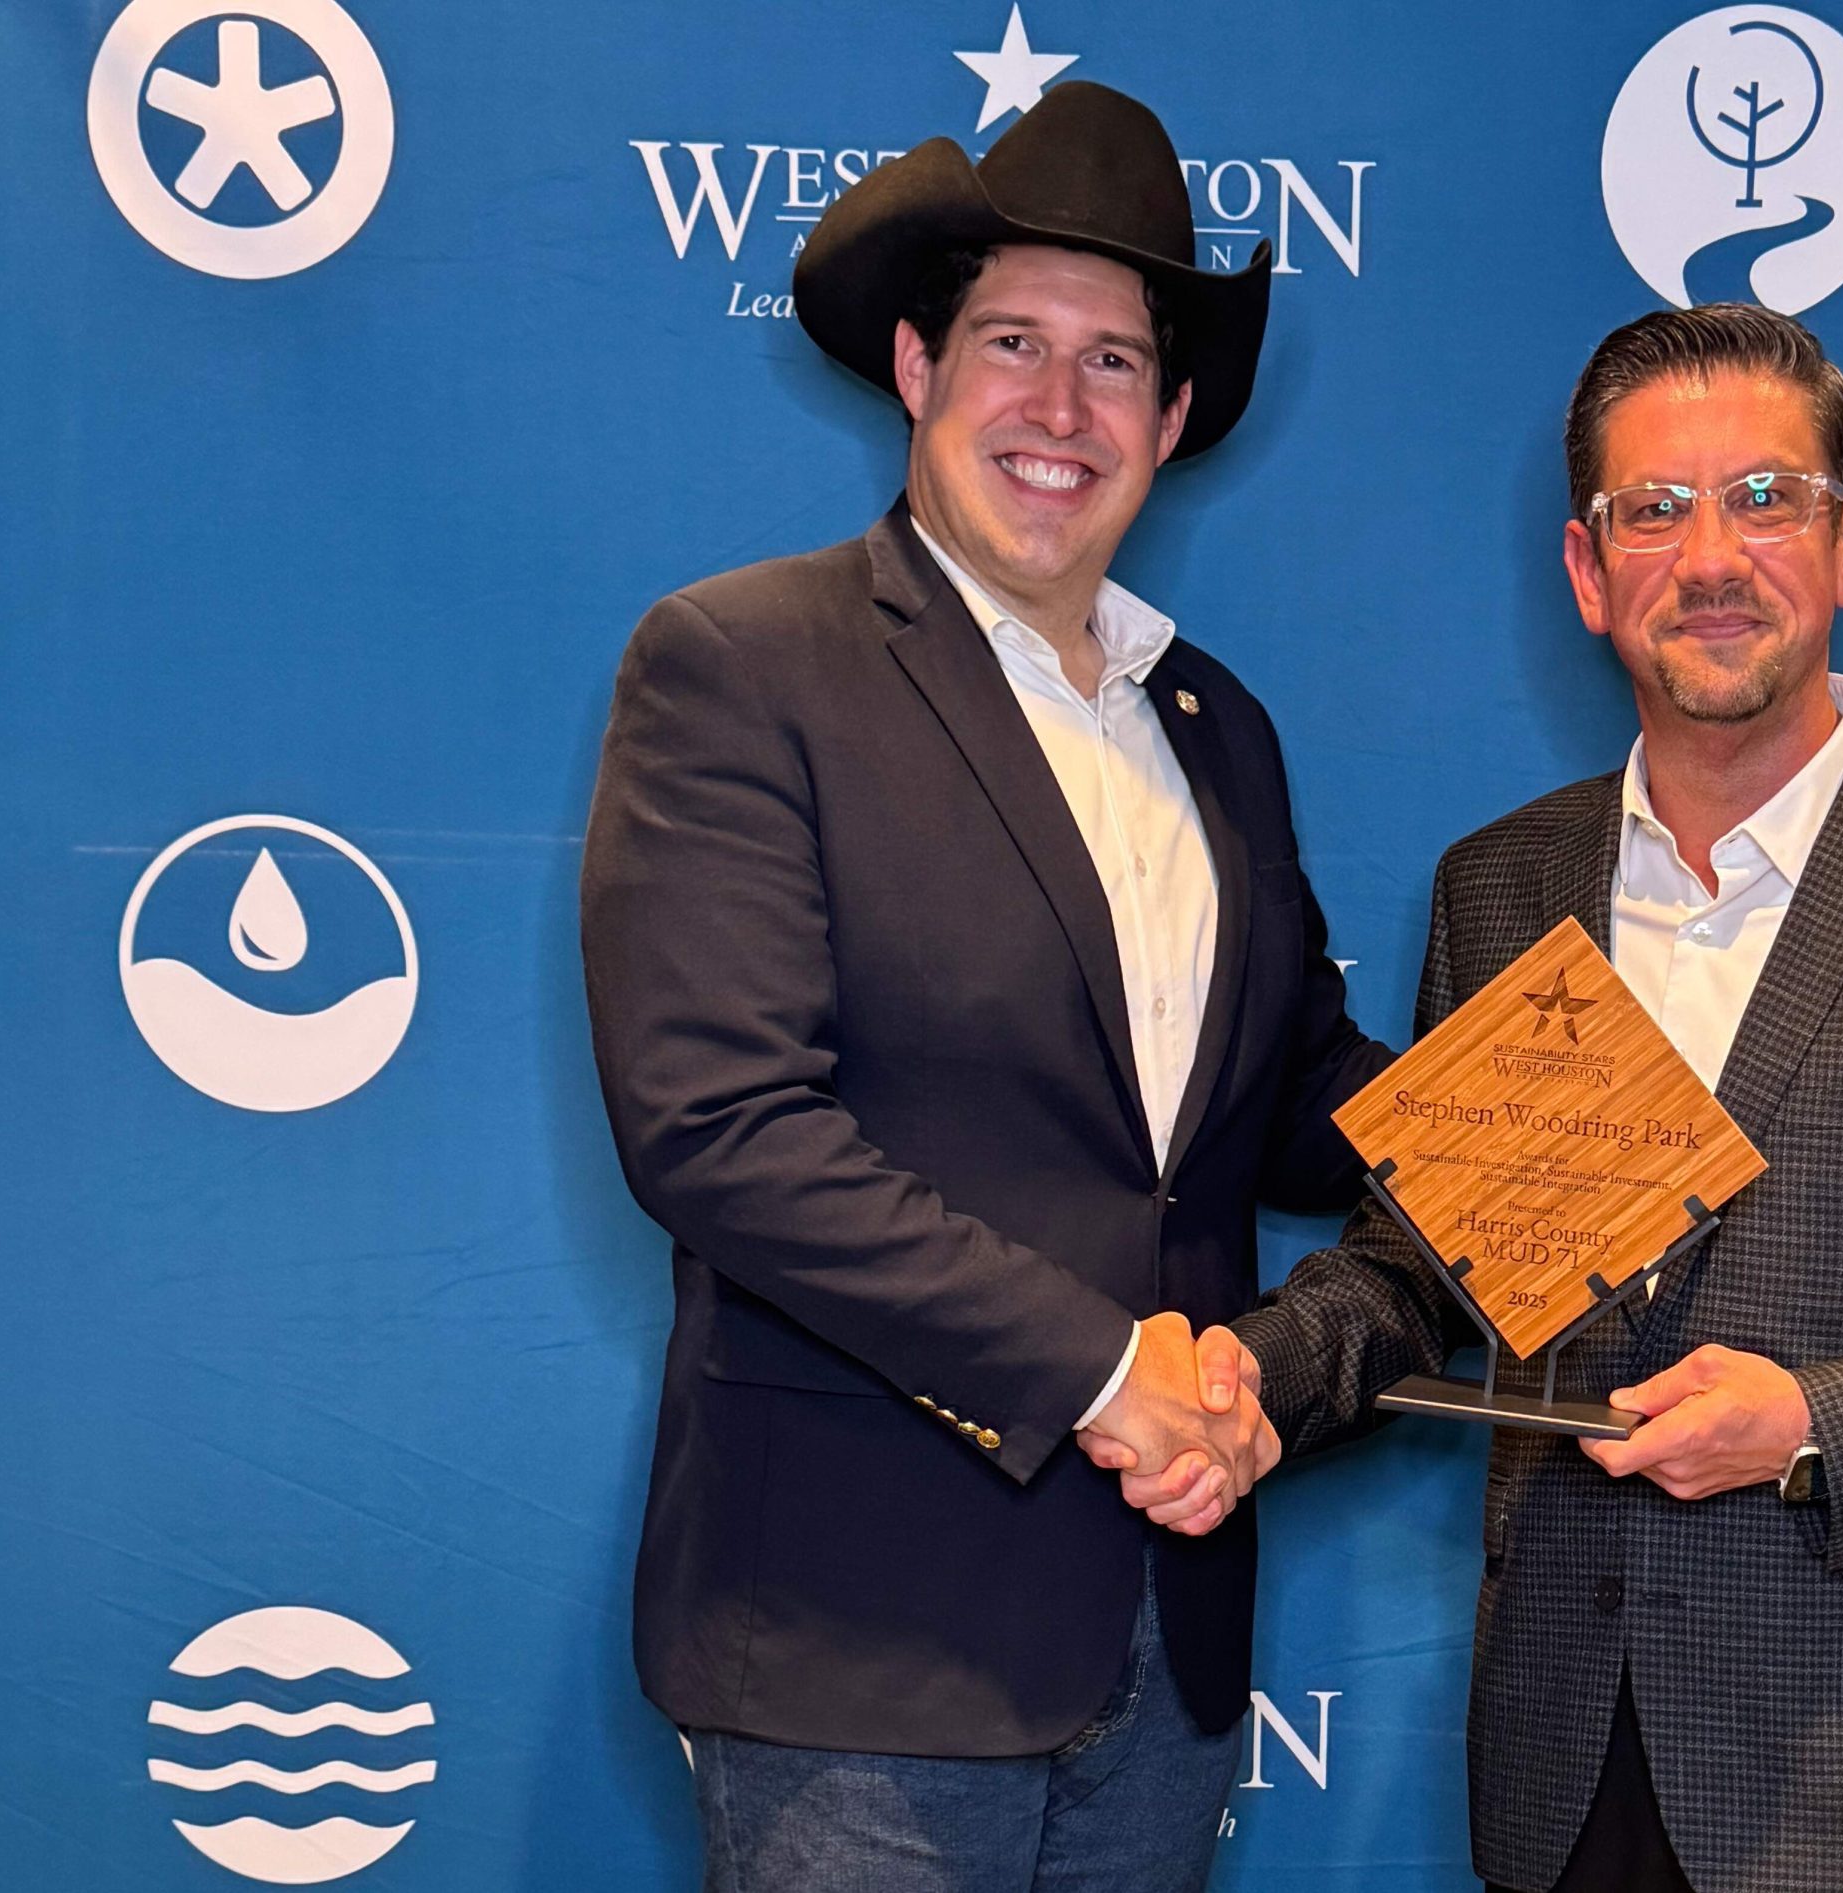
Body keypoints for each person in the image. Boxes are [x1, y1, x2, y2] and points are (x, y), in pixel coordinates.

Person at [1159, 304, 1843, 1892]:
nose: (1714, 556)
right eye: (1656, 510)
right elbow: (1434, 1261)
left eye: (1766, 499)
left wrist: (1814, 1424)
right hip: (1563, 1777)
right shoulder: (1504, 885)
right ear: (1590, 569)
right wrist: (1249, 1377)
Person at [579, 82, 1388, 1893]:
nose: (1060, 407)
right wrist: (1100, 1370)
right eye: (1014, 342)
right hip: (860, 1640)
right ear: (917, 367)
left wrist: (1590, 1137)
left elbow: (1284, 1099)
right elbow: (720, 1129)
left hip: (1168, 1638)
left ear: (1173, 420)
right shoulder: (742, 663)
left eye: (1116, 363)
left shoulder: (1221, 727)